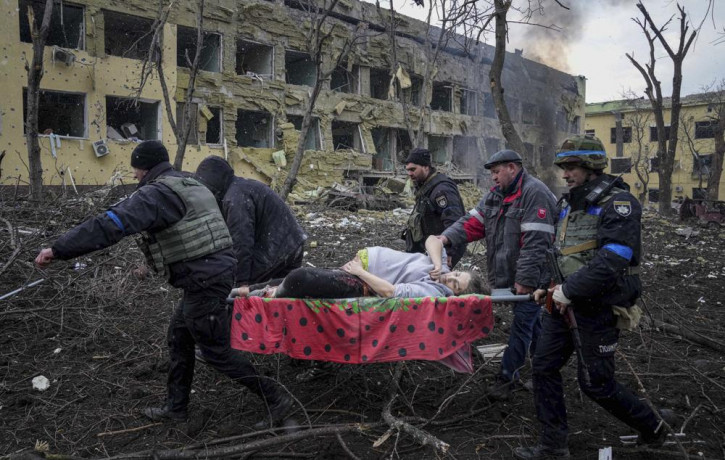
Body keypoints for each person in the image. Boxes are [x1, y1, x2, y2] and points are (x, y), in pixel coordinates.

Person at [34, 140, 292, 428]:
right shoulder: (187, 182)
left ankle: (275, 398)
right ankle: (176, 408)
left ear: (144, 169)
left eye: (135, 170)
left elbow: (111, 224)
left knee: (215, 351)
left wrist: (59, 249)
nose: (134, 176)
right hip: (211, 273)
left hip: (204, 278)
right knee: (179, 336)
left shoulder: (156, 194)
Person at [514, 135, 677, 459]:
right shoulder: (568, 205)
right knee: (543, 366)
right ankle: (552, 446)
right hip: (561, 304)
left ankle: (654, 428)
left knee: (596, 383)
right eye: (564, 167)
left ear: (591, 167)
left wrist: (568, 291)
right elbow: (563, 256)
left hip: (597, 307)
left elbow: (613, 259)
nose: (565, 173)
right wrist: (549, 289)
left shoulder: (619, 204)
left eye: (572, 166)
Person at [438, 149, 557, 400]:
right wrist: (445, 237)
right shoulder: (495, 196)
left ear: (512, 168)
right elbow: (472, 223)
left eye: (496, 172)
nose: (492, 178)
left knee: (523, 325)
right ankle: (544, 370)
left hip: (535, 277)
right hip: (512, 276)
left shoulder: (534, 194)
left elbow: (537, 243)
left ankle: (507, 377)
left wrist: (524, 281)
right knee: (534, 323)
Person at [195, 156, 307, 295]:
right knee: (279, 296)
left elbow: (241, 242)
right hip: (291, 242)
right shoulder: (239, 188)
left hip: (278, 248)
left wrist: (242, 283)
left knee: (246, 293)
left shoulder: (234, 199)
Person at [251, 236, 487, 299]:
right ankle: (243, 290)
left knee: (298, 278)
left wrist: (360, 272)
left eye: (455, 286)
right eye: (456, 274)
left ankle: (261, 295)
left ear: (454, 295)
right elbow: (433, 240)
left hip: (362, 281)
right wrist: (438, 263)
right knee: (295, 279)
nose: (450, 280)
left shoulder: (434, 291)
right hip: (361, 267)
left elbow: (390, 292)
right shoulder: (440, 270)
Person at [402, 147, 467, 268]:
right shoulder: (426, 187)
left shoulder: (441, 189)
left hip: (442, 250)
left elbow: (454, 221)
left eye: (413, 169)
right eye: (408, 170)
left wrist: (449, 251)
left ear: (426, 167)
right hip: (430, 248)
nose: (409, 173)